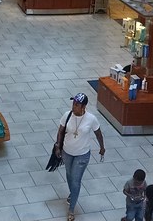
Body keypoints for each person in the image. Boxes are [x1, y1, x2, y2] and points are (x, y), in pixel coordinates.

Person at [56, 93, 105, 221]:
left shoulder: (91, 119)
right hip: (67, 152)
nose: (74, 106)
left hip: (82, 155)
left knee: (76, 180)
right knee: (69, 175)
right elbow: (60, 131)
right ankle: (72, 194)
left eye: (77, 104)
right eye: (73, 103)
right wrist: (57, 146)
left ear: (83, 106)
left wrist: (102, 147)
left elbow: (98, 133)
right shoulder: (67, 115)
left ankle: (71, 210)